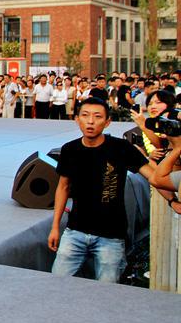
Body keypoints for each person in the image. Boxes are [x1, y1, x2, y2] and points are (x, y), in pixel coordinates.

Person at [48, 97, 158, 283]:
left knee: (108, 293)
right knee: (56, 285)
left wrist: (173, 199)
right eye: (85, 115)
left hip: (111, 236)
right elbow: (63, 187)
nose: (90, 121)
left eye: (97, 116)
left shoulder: (121, 148)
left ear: (107, 122)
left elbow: (154, 177)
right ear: (77, 119)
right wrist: (55, 227)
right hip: (75, 232)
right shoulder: (70, 150)